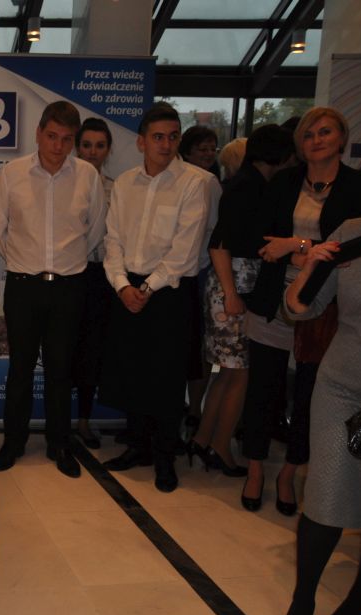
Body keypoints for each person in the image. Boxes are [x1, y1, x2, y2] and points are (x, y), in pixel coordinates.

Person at [242, 107, 361, 514]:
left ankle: (289, 473)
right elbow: (262, 240)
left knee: (310, 396)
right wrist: (308, 253)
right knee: (262, 390)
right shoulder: (284, 182)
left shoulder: (358, 187)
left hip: (325, 309)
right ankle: (255, 470)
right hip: (273, 300)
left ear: (342, 138)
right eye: (309, 135)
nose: (317, 140)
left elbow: (350, 249)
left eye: (325, 132)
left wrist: (295, 246)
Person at [0, 101, 107, 477]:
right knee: (19, 369)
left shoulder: (88, 176)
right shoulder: (12, 173)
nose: (58, 146)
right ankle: (13, 441)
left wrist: (66, 263)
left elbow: (95, 231)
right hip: (23, 286)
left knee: (61, 370)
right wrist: (24, 261)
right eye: (52, 136)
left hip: (69, 286)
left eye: (67, 139)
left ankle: (59, 444)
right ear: (38, 133)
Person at [100, 103, 211, 493]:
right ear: (141, 142)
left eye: (173, 136)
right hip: (127, 288)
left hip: (169, 294)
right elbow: (112, 240)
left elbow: (184, 251)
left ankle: (165, 457)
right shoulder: (125, 183)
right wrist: (121, 285)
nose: (166, 144)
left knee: (166, 378)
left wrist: (146, 289)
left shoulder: (193, 183)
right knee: (131, 371)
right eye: (158, 137)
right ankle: (138, 447)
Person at [277, 220, 361, 615]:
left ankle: (359, 602)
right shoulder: (354, 233)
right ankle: (303, 599)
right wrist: (310, 267)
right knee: (325, 498)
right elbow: (298, 308)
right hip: (342, 388)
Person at [187, 125, 294, 476]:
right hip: (234, 286)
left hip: (232, 285)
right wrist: (232, 294)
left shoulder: (245, 183)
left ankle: (204, 439)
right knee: (240, 373)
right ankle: (220, 447)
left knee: (229, 373)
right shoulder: (248, 187)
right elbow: (219, 244)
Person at [72, 117, 115, 449]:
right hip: (70, 274)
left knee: (94, 350)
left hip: (104, 277)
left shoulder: (117, 188)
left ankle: (84, 420)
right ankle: (59, 420)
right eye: (87, 145)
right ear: (77, 148)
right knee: (64, 349)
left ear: (108, 150)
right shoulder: (64, 184)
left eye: (99, 146)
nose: (92, 152)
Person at [179, 125, 222, 440]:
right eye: (202, 149)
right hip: (176, 275)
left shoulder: (210, 183)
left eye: (212, 149)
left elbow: (215, 229)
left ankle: (194, 408)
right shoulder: (177, 180)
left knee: (198, 347)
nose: (208, 154)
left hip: (201, 273)